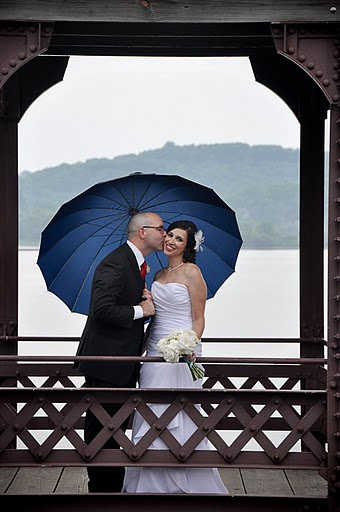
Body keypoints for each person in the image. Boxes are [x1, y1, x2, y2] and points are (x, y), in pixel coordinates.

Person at [122, 220, 228, 494]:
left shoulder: (193, 273)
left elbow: (198, 317)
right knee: (150, 407)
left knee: (181, 410)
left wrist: (190, 345)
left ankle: (185, 475)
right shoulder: (156, 276)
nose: (170, 241)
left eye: (179, 239)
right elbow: (155, 313)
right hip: (155, 348)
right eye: (169, 235)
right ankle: (149, 480)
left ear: (188, 246)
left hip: (183, 349)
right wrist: (148, 300)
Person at [75, 211, 166, 493]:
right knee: (103, 426)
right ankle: (101, 490)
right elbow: (101, 310)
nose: (164, 234)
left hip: (121, 361)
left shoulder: (136, 265)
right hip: (106, 362)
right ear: (143, 232)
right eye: (161, 229)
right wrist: (142, 310)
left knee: (114, 426)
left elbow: (123, 308)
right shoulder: (115, 263)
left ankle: (112, 485)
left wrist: (143, 298)